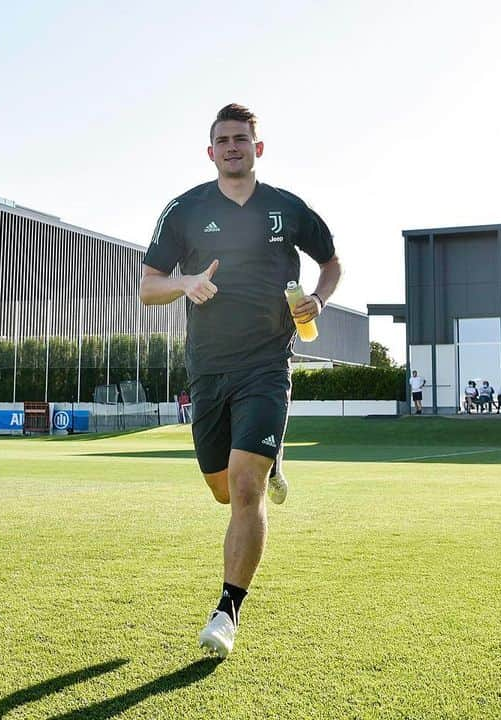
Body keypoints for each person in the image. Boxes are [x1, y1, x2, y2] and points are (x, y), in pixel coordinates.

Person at [139, 103, 341, 659]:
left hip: (268, 363)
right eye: (223, 140)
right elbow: (148, 286)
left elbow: (332, 263)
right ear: (211, 152)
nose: (232, 147)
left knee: (246, 491)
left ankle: (226, 611)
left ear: (258, 147)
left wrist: (318, 300)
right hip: (207, 368)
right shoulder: (183, 211)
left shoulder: (287, 209)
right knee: (223, 487)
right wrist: (184, 283)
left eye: (241, 139)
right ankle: (271, 459)